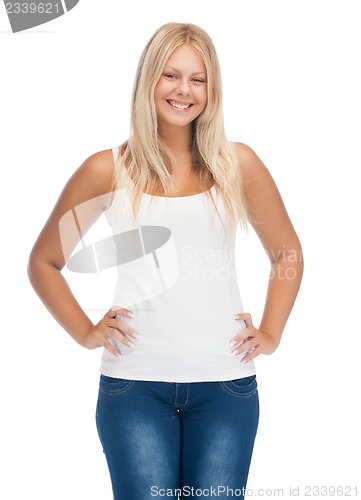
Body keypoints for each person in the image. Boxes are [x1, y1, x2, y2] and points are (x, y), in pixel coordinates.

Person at [28, 22, 303, 500]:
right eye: (170, 75)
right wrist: (86, 332)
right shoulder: (108, 170)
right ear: (148, 81)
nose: (184, 90)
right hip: (134, 387)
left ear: (211, 89)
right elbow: (45, 261)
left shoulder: (237, 165)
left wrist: (272, 333)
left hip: (225, 386)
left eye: (198, 79)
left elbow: (286, 253)